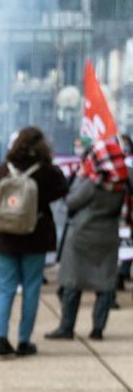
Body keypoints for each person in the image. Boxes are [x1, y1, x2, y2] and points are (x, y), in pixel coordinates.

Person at [0, 127, 68, 358]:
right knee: (32, 287)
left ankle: (0, 337)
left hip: (5, 235)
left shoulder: (3, 169)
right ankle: (24, 341)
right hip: (34, 235)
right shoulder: (47, 171)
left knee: (5, 288)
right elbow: (62, 189)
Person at [45, 136, 129, 341]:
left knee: (73, 283)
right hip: (108, 235)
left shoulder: (92, 182)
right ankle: (98, 329)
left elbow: (72, 202)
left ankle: (66, 328)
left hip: (82, 236)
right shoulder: (123, 182)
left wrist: (80, 178)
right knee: (105, 284)